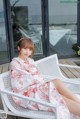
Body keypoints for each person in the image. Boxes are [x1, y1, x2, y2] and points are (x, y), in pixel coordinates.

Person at [10, 37, 80, 119]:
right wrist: (35, 78)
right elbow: (17, 84)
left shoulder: (31, 61)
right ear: (19, 48)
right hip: (28, 93)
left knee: (60, 98)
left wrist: (36, 78)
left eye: (30, 49)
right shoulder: (15, 63)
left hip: (38, 87)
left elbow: (38, 75)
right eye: (25, 48)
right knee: (57, 83)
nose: (27, 52)